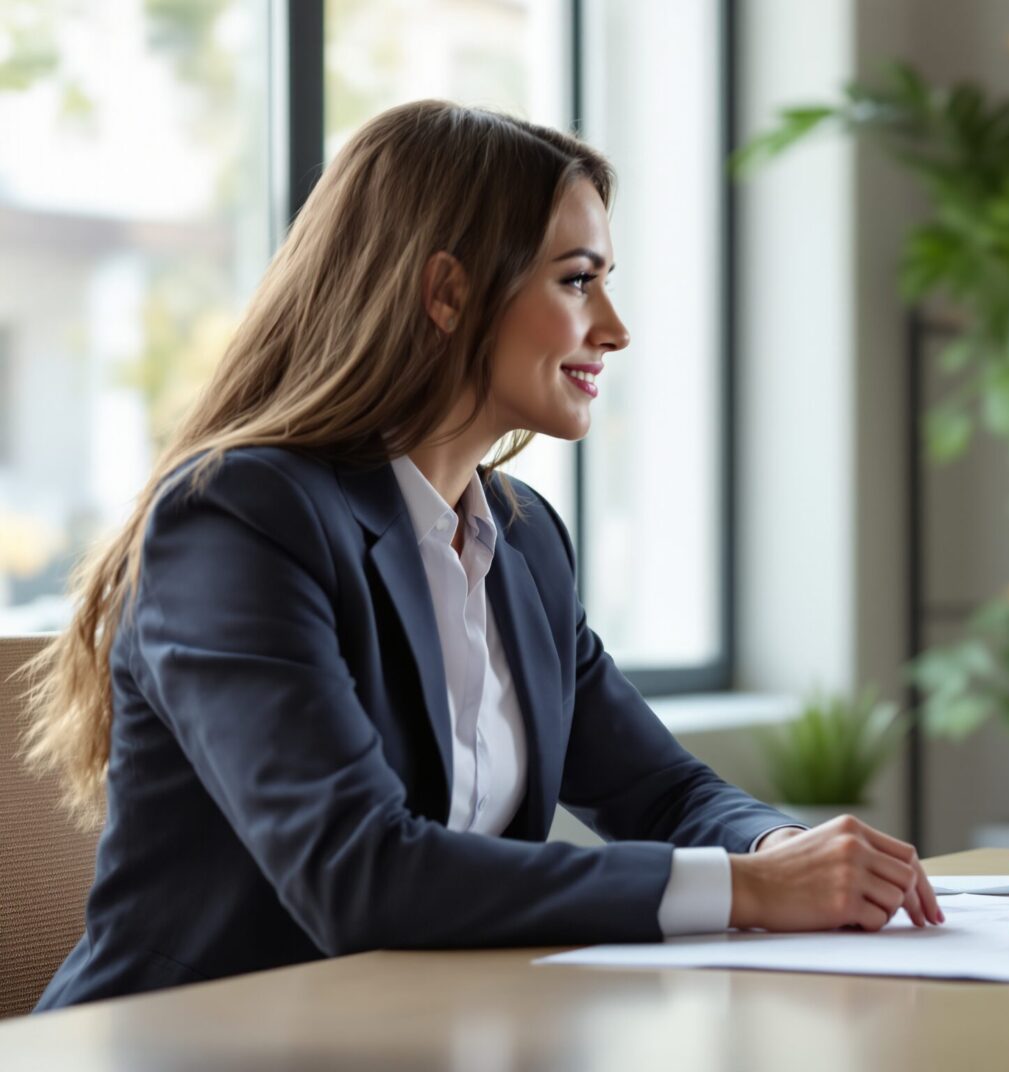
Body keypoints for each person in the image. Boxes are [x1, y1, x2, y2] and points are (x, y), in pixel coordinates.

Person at [26, 100, 939, 1011]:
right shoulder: (240, 518)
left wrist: (774, 851)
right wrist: (745, 894)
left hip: (422, 1037)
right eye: (579, 281)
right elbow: (357, 875)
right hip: (194, 1048)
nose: (614, 327)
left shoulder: (525, 541)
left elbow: (660, 790)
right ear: (449, 292)